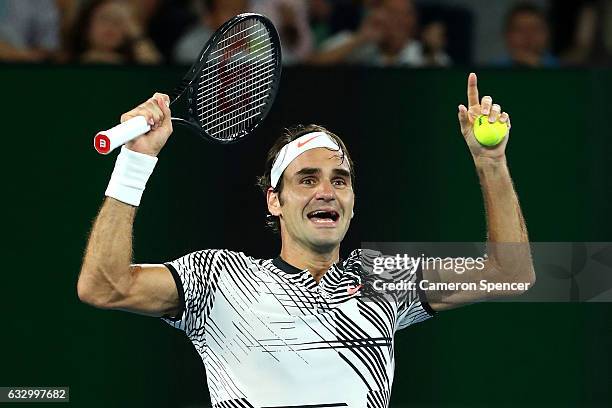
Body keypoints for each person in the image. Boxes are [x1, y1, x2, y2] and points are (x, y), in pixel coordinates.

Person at [77, 73, 535, 406]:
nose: (325, 191)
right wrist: (135, 163)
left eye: (340, 180)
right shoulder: (216, 279)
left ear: (353, 201)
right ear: (274, 202)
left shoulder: (384, 281)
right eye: (307, 179)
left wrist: (491, 164)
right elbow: (104, 285)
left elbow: (511, 273)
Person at [309, 0, 425, 66]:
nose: (396, 21)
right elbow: (309, 68)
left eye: (402, 15)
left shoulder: (421, 52)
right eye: (391, 13)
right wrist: (361, 39)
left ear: (411, 20)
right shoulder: (356, 42)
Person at [68, 0, 162, 64]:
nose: (110, 26)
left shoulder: (134, 64)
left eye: (118, 21)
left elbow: (154, 66)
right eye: (105, 18)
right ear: (87, 24)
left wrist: (137, 35)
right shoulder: (66, 60)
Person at [495, 2, 558, 68]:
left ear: (547, 34)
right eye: (519, 30)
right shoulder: (491, 71)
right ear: (507, 35)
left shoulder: (563, 68)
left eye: (535, 29)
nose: (528, 36)